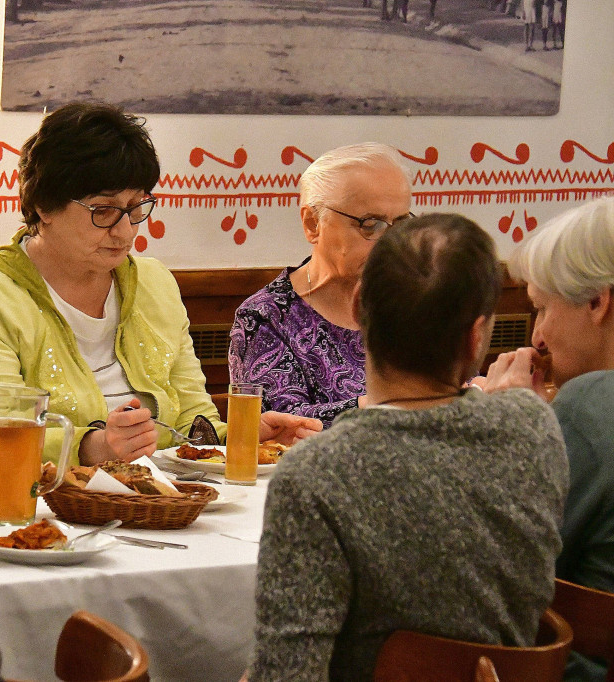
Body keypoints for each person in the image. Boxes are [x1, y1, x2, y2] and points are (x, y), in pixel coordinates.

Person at [247, 214, 568, 682]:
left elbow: (287, 674)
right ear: (476, 335)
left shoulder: (316, 471)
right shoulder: (534, 427)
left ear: (358, 307)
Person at [0, 101, 321, 466]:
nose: (124, 230)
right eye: (103, 210)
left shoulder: (154, 282)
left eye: (136, 208)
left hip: (158, 495)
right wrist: (95, 448)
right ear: (41, 206)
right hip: (38, 499)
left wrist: (238, 437)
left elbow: (190, 413)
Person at [480, 197, 614, 682]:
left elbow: (491, 562)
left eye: (541, 309)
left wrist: (510, 432)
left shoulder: (592, 402)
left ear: (598, 302)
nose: (537, 337)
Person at [229, 142, 413, 429]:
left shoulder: (416, 300)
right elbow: (278, 429)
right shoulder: (266, 318)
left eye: (400, 223)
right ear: (313, 223)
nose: (390, 242)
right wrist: (376, 406)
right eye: (371, 224)